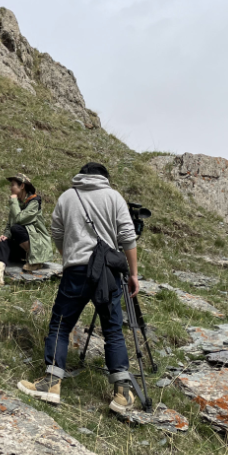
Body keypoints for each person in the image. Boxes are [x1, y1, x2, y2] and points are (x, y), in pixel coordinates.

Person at [17, 162, 139, 415]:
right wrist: (134, 274)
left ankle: (51, 383)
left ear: (81, 175)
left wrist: (68, 258)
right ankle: (122, 393)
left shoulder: (67, 197)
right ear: (105, 178)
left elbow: (57, 233)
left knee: (61, 325)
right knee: (113, 330)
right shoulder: (114, 197)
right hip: (108, 272)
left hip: (76, 271)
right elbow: (128, 235)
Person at [0, 173, 53, 285]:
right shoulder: (18, 203)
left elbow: (20, 219)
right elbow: (10, 223)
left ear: (22, 186)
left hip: (37, 247)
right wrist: (6, 235)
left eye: (13, 185)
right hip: (24, 245)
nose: (10, 188)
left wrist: (14, 202)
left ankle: (36, 261)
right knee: (3, 242)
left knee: (16, 229)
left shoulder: (34, 202)